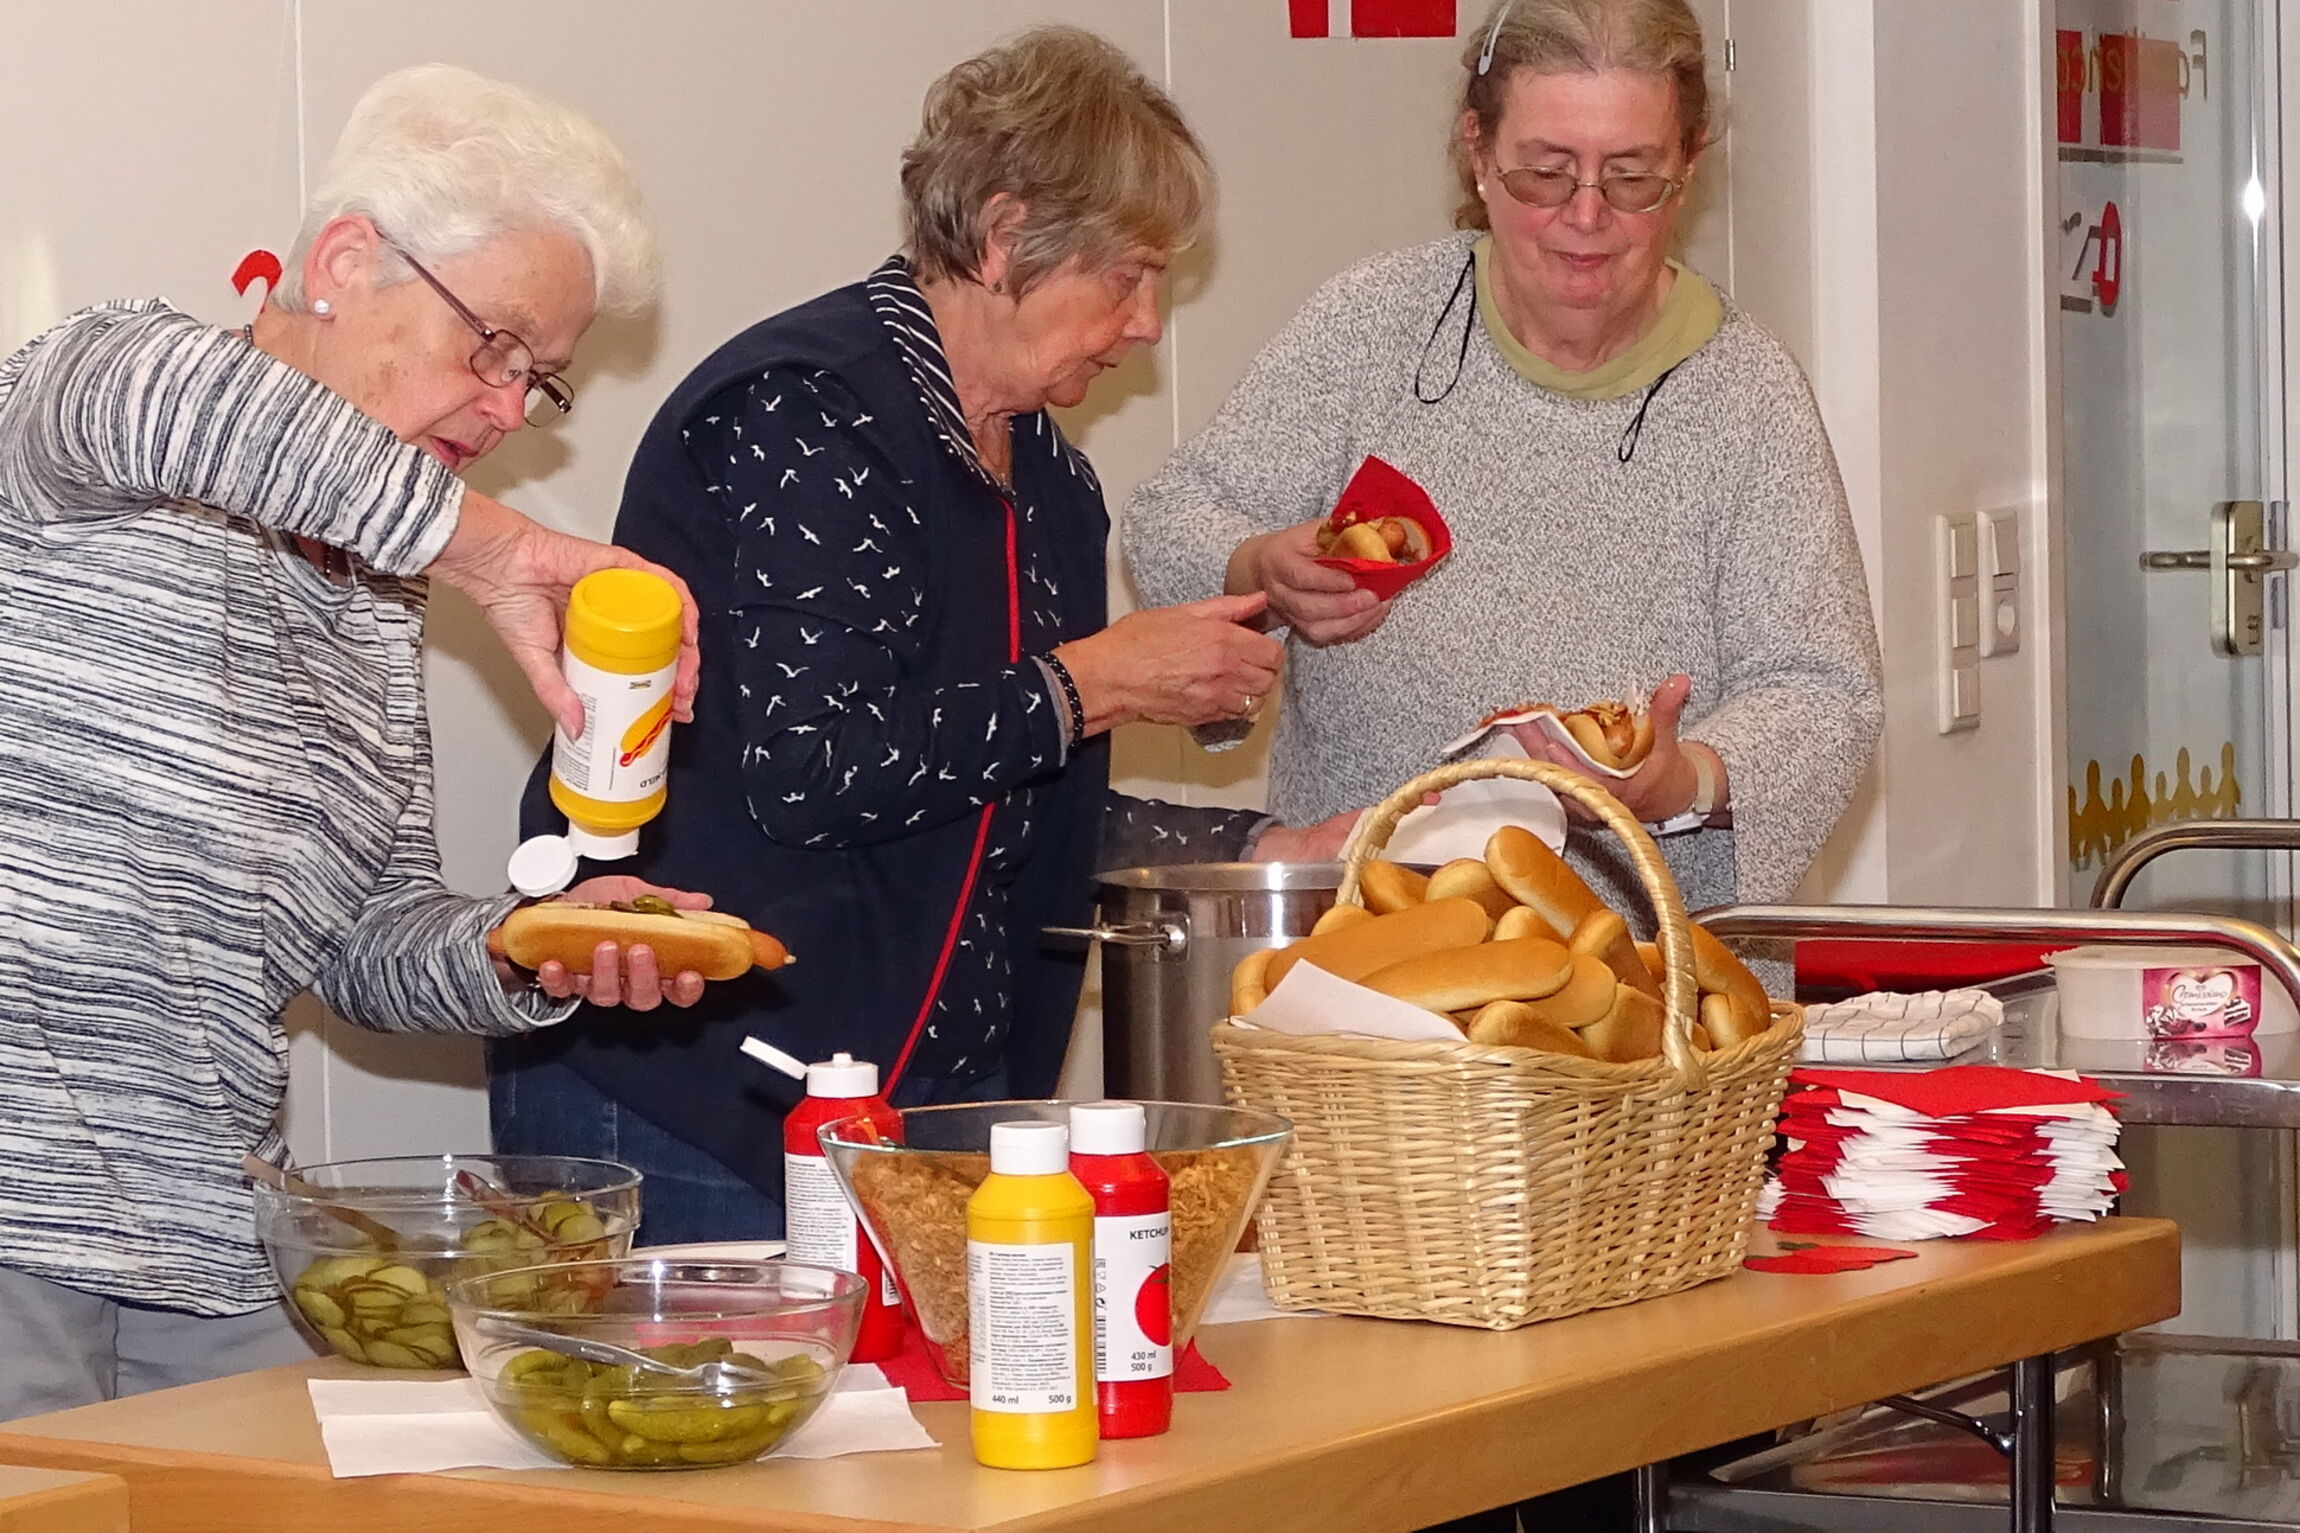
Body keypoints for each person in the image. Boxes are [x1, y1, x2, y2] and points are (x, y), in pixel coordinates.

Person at [492, 26, 1353, 1245]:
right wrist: (1090, 684)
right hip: (694, 1099)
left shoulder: (1050, 480)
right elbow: (807, 771)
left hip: (908, 1129)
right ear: (1005, 239)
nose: (1149, 322)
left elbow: (1004, 812)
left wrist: (1261, 845)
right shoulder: (810, 410)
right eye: (1125, 275)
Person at [0, 64, 719, 1420]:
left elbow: (362, 940)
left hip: (204, 1235)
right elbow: (191, 400)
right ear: (342, 261)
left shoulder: (376, 594)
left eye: (541, 380)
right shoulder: (97, 397)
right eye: (492, 349)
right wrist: (501, 552)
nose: (509, 411)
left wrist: (526, 947)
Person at [1125, 0, 1882, 934]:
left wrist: (1680, 781)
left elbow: (1825, 694)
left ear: (1687, 167)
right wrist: (1257, 573)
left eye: (1632, 176)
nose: (1587, 216)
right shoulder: (1372, 328)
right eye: (1546, 173)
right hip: (1374, 975)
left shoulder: (1746, 394)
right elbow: (1172, 519)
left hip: (1651, 1000)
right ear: (1477, 152)